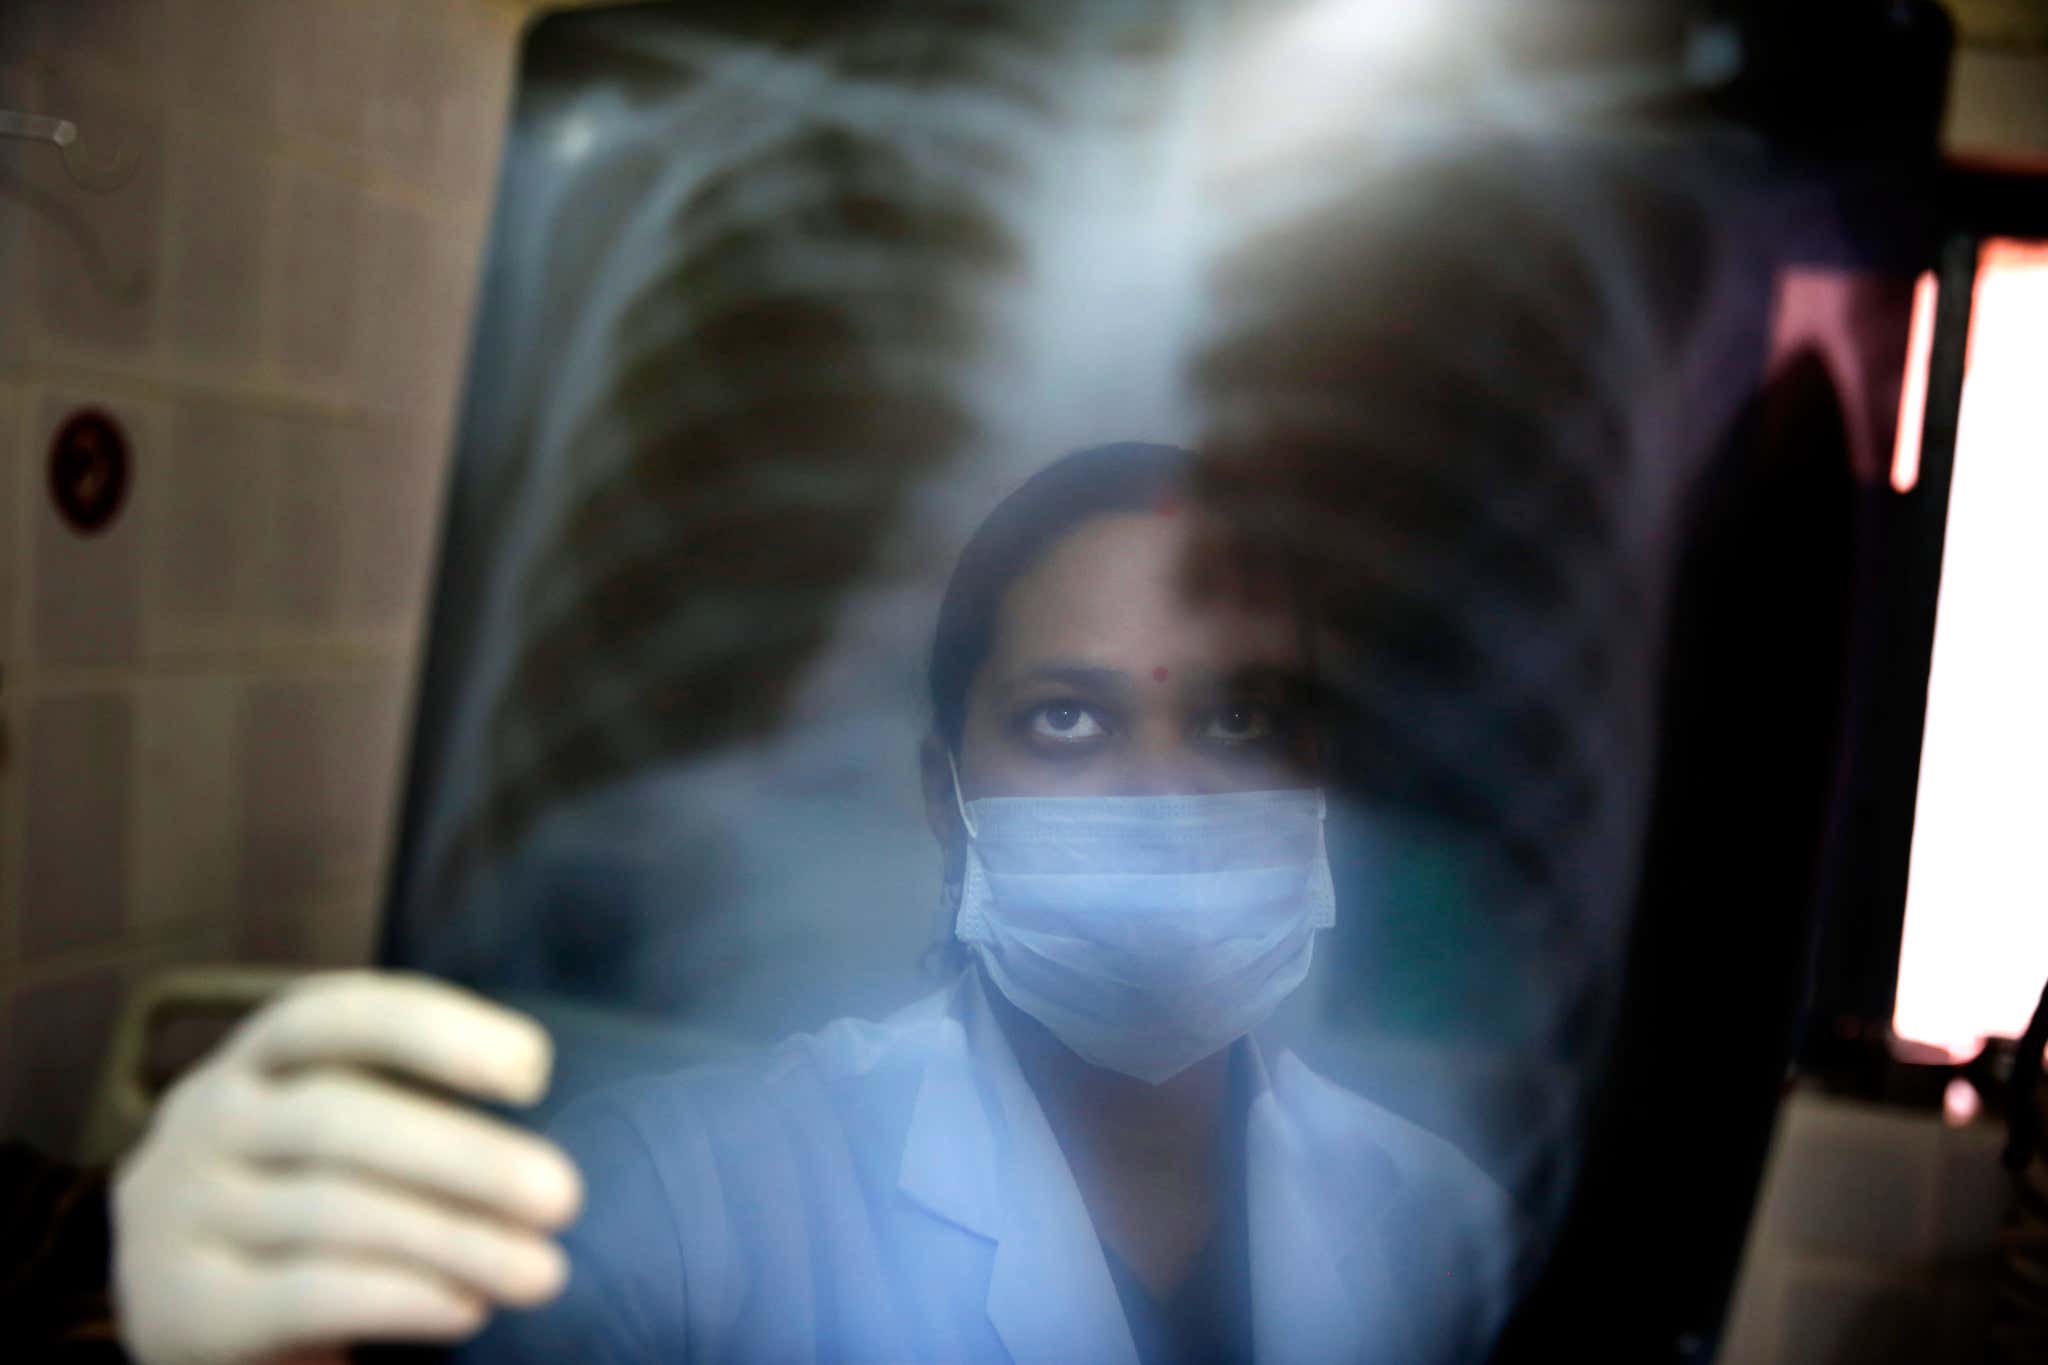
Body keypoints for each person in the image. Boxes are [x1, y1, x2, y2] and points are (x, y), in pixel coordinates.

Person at [112, 443, 1514, 1365]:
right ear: (944, 796)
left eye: (1240, 720)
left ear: (1318, 782)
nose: (1162, 793)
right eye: (1067, 720)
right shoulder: (675, 1212)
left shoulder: (1443, 1227)